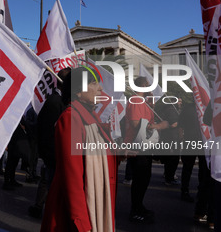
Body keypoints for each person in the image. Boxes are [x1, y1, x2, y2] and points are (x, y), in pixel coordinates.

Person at [40, 67, 117, 232]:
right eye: (94, 83)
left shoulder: (89, 116)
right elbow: (71, 175)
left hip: (91, 199)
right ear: (78, 91)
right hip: (75, 211)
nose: (100, 88)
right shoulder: (71, 118)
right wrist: (81, 222)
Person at [124, 76, 169, 223]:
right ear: (142, 86)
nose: (150, 87)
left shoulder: (142, 101)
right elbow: (136, 123)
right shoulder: (136, 101)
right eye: (148, 85)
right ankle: (135, 210)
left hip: (143, 145)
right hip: (138, 145)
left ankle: (139, 206)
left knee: (144, 178)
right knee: (140, 179)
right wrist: (158, 126)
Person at [28, 67, 71, 218]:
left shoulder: (60, 100)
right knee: (50, 183)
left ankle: (40, 207)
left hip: (54, 155)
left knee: (48, 182)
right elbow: (48, 133)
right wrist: (52, 156)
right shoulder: (54, 102)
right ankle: (43, 210)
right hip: (53, 155)